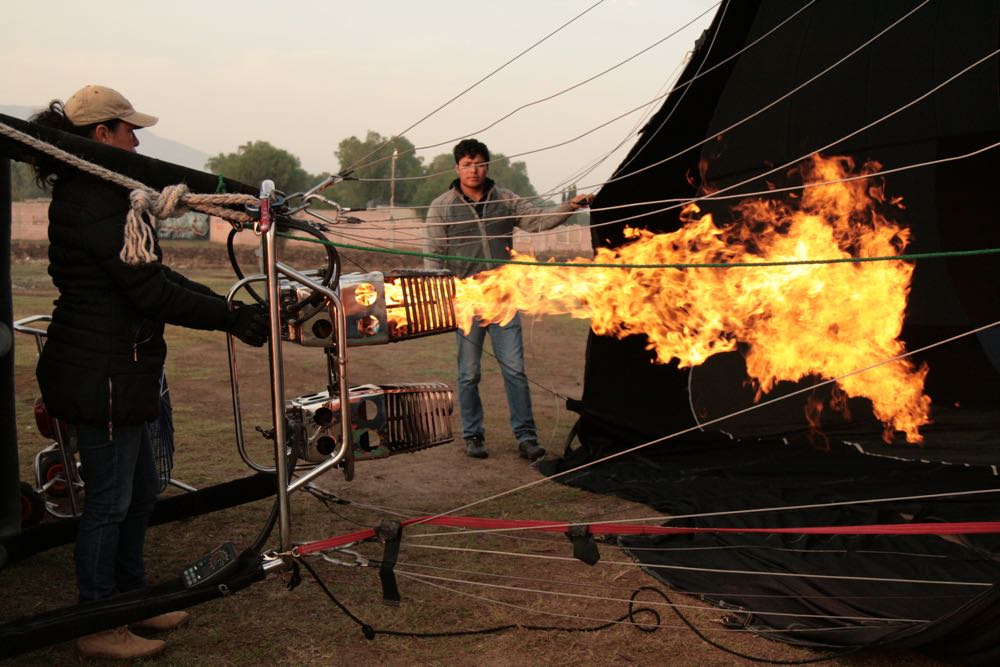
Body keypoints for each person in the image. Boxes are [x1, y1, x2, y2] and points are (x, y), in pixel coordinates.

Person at [29, 85, 269, 660]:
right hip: (100, 370)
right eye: (127, 130)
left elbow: (156, 276)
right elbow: (148, 289)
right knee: (109, 500)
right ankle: (98, 618)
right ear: (101, 136)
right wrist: (230, 318)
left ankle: (133, 598)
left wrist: (232, 309)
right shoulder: (93, 200)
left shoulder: (110, 195)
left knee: (139, 492)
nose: (137, 141)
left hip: (119, 366)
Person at [425, 139, 592, 461]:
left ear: (487, 165)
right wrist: (443, 299)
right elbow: (433, 257)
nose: (474, 170)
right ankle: (473, 435)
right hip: (467, 302)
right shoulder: (442, 206)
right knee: (468, 373)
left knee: (514, 370)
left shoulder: (505, 200)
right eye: (467, 164)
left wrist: (570, 206)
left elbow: (538, 221)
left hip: (503, 298)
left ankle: (526, 437)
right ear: (457, 168)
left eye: (479, 163)